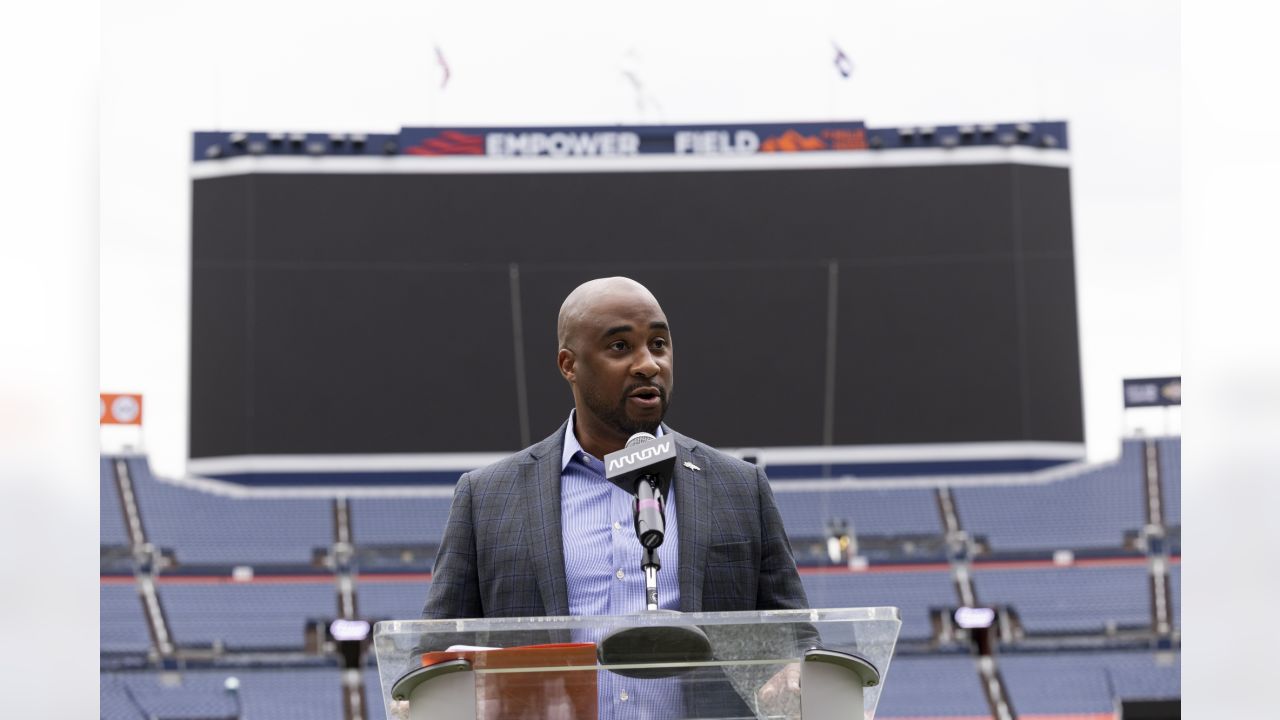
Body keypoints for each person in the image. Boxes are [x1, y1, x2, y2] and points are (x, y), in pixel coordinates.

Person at [422, 276, 808, 716]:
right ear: (569, 364)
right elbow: (439, 648)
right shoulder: (486, 497)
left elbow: (793, 635)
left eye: (659, 343)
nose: (648, 364)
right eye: (620, 347)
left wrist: (792, 671)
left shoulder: (739, 488)